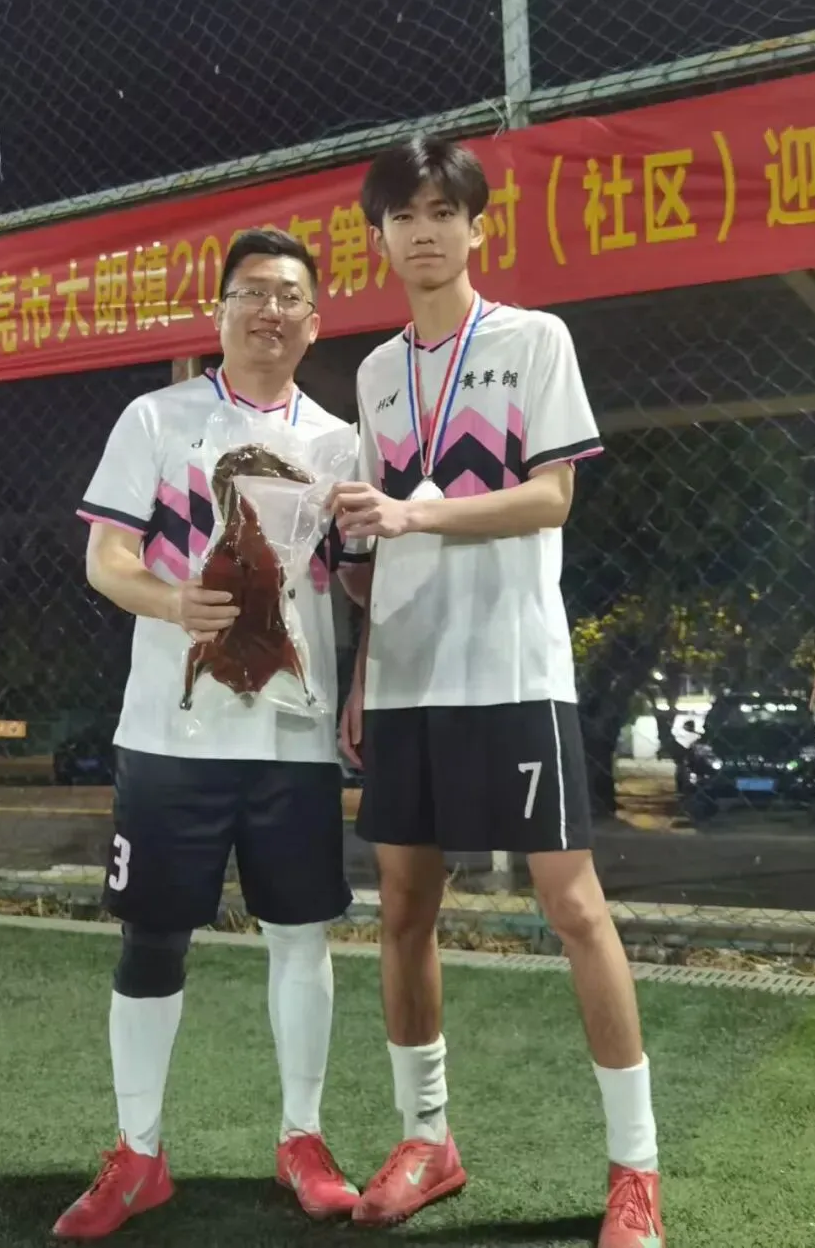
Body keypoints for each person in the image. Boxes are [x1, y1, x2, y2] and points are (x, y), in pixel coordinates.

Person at [331, 137, 665, 1247]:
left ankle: (635, 1170)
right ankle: (427, 1139)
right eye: (403, 215)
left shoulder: (533, 339)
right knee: (403, 910)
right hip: (408, 674)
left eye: (443, 211)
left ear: (478, 226)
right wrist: (361, 659)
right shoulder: (375, 375)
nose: (424, 231)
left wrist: (414, 512)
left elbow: (551, 497)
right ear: (379, 238)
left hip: (513, 668)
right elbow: (378, 540)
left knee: (572, 906)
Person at [53, 228, 369, 1240]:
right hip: (169, 733)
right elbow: (106, 557)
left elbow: (358, 582)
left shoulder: (342, 443)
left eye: (290, 296)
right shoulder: (157, 417)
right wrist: (170, 600)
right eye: (252, 293)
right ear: (219, 311)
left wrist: (376, 573)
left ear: (315, 322)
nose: (271, 310)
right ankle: (139, 1152)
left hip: (293, 740)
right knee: (153, 934)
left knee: (301, 934)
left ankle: (302, 1138)